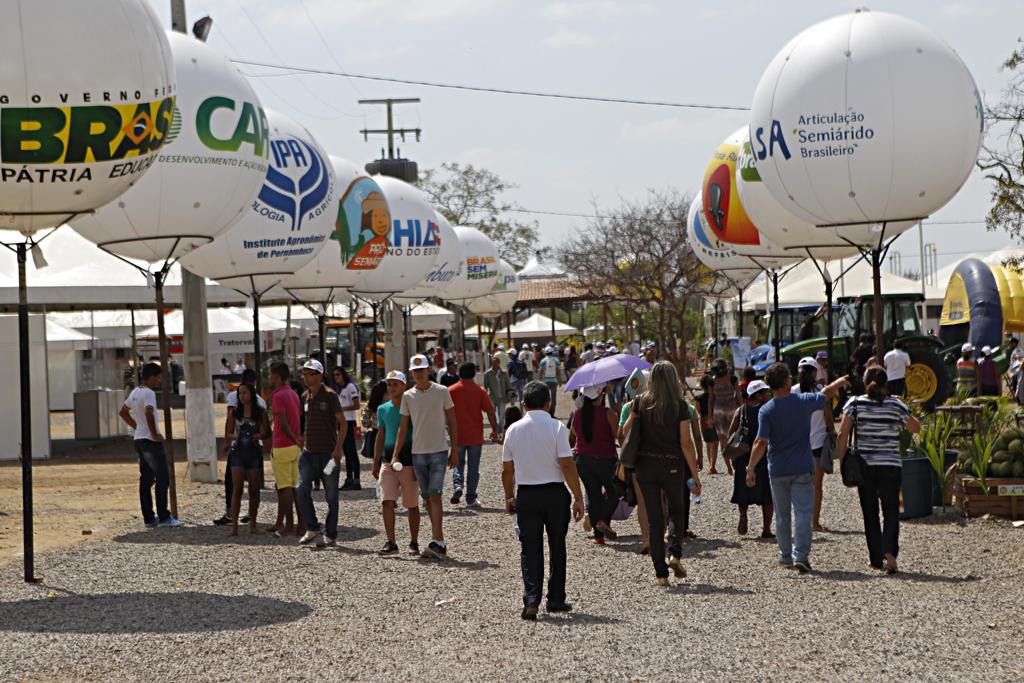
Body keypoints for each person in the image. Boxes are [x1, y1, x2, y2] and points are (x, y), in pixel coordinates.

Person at [746, 363, 848, 573]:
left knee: (782, 515)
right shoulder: (803, 401)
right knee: (803, 512)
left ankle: (785, 555)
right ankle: (801, 555)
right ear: (787, 381)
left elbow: (760, 442)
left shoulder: (766, 410)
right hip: (802, 467)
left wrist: (750, 468)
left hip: (777, 469)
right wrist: (839, 382)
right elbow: (826, 394)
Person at [501, 380, 585, 620]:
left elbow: (507, 470)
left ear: (524, 404)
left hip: (527, 494)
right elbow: (567, 464)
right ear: (548, 403)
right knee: (557, 545)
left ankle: (531, 598)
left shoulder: (513, 430)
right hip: (555, 493)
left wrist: (509, 496)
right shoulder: (556, 427)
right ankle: (556, 598)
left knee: (530, 548)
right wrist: (578, 497)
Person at [623, 361, 702, 586]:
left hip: (645, 466)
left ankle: (661, 574)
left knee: (655, 518)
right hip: (672, 465)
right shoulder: (680, 406)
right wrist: (695, 475)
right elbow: (686, 443)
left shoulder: (640, 402)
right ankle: (674, 554)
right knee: (675, 511)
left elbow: (625, 430)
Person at [837, 365, 920, 574]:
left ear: (865, 383)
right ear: (886, 383)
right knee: (891, 511)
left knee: (870, 512)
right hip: (891, 465)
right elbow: (915, 427)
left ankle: (875, 558)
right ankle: (890, 553)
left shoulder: (855, 403)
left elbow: (842, 434)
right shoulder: (895, 405)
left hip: (864, 466)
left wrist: (842, 460)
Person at [393, 354, 459, 559]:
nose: (419, 373)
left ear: (429, 370)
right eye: (415, 370)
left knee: (435, 494)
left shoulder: (442, 391)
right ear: (411, 373)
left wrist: (454, 450)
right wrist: (395, 455)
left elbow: (452, 421)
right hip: (418, 453)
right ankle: (438, 542)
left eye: (422, 369)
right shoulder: (408, 396)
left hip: (439, 451)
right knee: (427, 498)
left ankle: (437, 540)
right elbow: (403, 428)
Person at [118, 363, 184, 528]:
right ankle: (164, 517)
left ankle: (149, 518)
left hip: (139, 439)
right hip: (149, 441)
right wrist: (154, 434)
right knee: (162, 477)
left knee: (146, 479)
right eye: (158, 377)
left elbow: (123, 412)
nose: (159, 380)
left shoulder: (135, 392)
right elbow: (149, 412)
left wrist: (137, 427)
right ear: (151, 377)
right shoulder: (149, 393)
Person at [295, 359, 346, 548]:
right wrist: (301, 437)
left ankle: (330, 534)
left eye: (311, 374)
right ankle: (312, 527)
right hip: (308, 453)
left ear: (320, 375)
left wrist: (338, 448)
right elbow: (306, 421)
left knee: (331, 496)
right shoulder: (304, 396)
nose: (307, 377)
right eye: (305, 374)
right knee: (301, 489)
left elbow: (343, 423)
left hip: (328, 455)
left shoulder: (330, 396)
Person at [372, 370, 421, 555]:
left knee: (412, 504)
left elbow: (418, 434)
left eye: (395, 384)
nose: (391, 388)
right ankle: (391, 542)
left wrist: (419, 463)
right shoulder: (382, 409)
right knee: (387, 501)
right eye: (389, 384)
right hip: (387, 462)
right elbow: (381, 435)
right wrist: (376, 462)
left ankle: (414, 541)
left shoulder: (413, 408)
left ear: (404, 386)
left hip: (409, 462)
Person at [213, 368, 266, 526]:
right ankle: (248, 515)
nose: (242, 396)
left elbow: (229, 421)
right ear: (255, 382)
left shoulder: (233, 397)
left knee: (235, 483)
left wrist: (227, 441)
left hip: (242, 447)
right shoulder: (261, 401)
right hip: (250, 447)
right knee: (250, 484)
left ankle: (232, 514)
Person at [569, 384, 619, 545]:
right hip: (606, 460)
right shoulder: (607, 413)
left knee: (593, 496)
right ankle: (603, 520)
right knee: (614, 493)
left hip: (583, 461)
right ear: (600, 395)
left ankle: (599, 536)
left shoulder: (577, 414)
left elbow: (572, 438)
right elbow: (618, 434)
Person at [449, 362, 499, 507]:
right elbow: (490, 412)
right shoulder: (480, 391)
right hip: (475, 435)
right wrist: (494, 430)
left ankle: (458, 485)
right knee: (473, 467)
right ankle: (471, 498)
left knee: (457, 463)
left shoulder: (451, 390)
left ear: (459, 373)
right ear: (474, 374)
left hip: (457, 435)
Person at [729, 380, 774, 537]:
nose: (769, 394)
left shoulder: (741, 410)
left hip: (743, 455)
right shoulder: (767, 410)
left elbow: (731, 432)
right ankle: (766, 529)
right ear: (758, 395)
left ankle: (743, 515)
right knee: (767, 495)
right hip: (764, 454)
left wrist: (733, 455)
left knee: (743, 491)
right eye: (766, 392)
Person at [224, 382, 270, 536]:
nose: (242, 396)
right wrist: (235, 437)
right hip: (238, 452)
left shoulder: (260, 412)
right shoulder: (235, 413)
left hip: (254, 453)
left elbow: (267, 431)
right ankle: (234, 526)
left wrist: (259, 435)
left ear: (252, 394)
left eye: (245, 393)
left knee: (254, 490)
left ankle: (253, 525)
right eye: (240, 394)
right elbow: (228, 433)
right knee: (237, 489)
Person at [795, 358, 834, 532]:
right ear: (814, 372)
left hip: (798, 445)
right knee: (816, 486)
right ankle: (815, 523)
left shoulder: (792, 392)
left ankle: (800, 521)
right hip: (818, 443)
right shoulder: (820, 391)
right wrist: (832, 432)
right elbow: (828, 417)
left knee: (798, 485)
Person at [267, 363, 303, 537]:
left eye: (270, 375)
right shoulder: (294, 394)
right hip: (295, 447)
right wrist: (297, 439)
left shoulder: (278, 396)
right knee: (295, 487)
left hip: (282, 445)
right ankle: (302, 524)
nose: (268, 378)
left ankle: (289, 525)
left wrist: (293, 437)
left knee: (284, 488)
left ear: (277, 376)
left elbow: (281, 422)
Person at [330, 367, 362, 491]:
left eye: (338, 374)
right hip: (341, 422)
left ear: (343, 375)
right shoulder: (339, 389)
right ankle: (349, 478)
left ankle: (356, 479)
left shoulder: (350, 387)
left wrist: (341, 409)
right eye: (334, 375)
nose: (336, 377)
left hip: (349, 421)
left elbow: (357, 405)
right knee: (347, 452)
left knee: (351, 451)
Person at [711, 361, 739, 475]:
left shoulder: (712, 381)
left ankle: (729, 468)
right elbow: (738, 396)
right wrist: (742, 409)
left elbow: (711, 399)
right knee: (736, 437)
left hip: (718, 412)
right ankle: (736, 464)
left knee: (723, 440)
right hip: (732, 410)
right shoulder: (733, 379)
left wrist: (709, 417)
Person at [360, 380, 389, 463]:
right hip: (389, 434)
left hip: (375, 434)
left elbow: (365, 423)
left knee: (377, 461)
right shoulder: (391, 403)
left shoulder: (371, 404)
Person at [484, 353, 514, 432]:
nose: (494, 364)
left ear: (499, 363)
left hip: (502, 398)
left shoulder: (504, 373)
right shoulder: (487, 374)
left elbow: (508, 385)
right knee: (492, 414)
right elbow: (485, 387)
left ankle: (500, 429)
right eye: (493, 363)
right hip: (492, 397)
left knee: (501, 416)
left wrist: (511, 396)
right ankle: (495, 428)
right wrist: (485, 397)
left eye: (496, 363)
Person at [696, 374, 719, 471]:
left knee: (708, 444)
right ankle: (713, 466)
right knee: (715, 444)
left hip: (703, 420)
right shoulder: (715, 397)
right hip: (715, 419)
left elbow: (698, 411)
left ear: (702, 385)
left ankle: (710, 465)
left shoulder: (699, 398)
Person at [539, 348, 563, 416]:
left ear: (545, 353)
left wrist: (539, 381)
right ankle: (552, 413)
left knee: (545, 398)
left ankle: (545, 413)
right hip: (554, 381)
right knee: (553, 398)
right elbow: (558, 371)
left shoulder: (543, 360)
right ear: (552, 352)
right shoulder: (556, 360)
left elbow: (541, 372)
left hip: (545, 381)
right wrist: (560, 380)